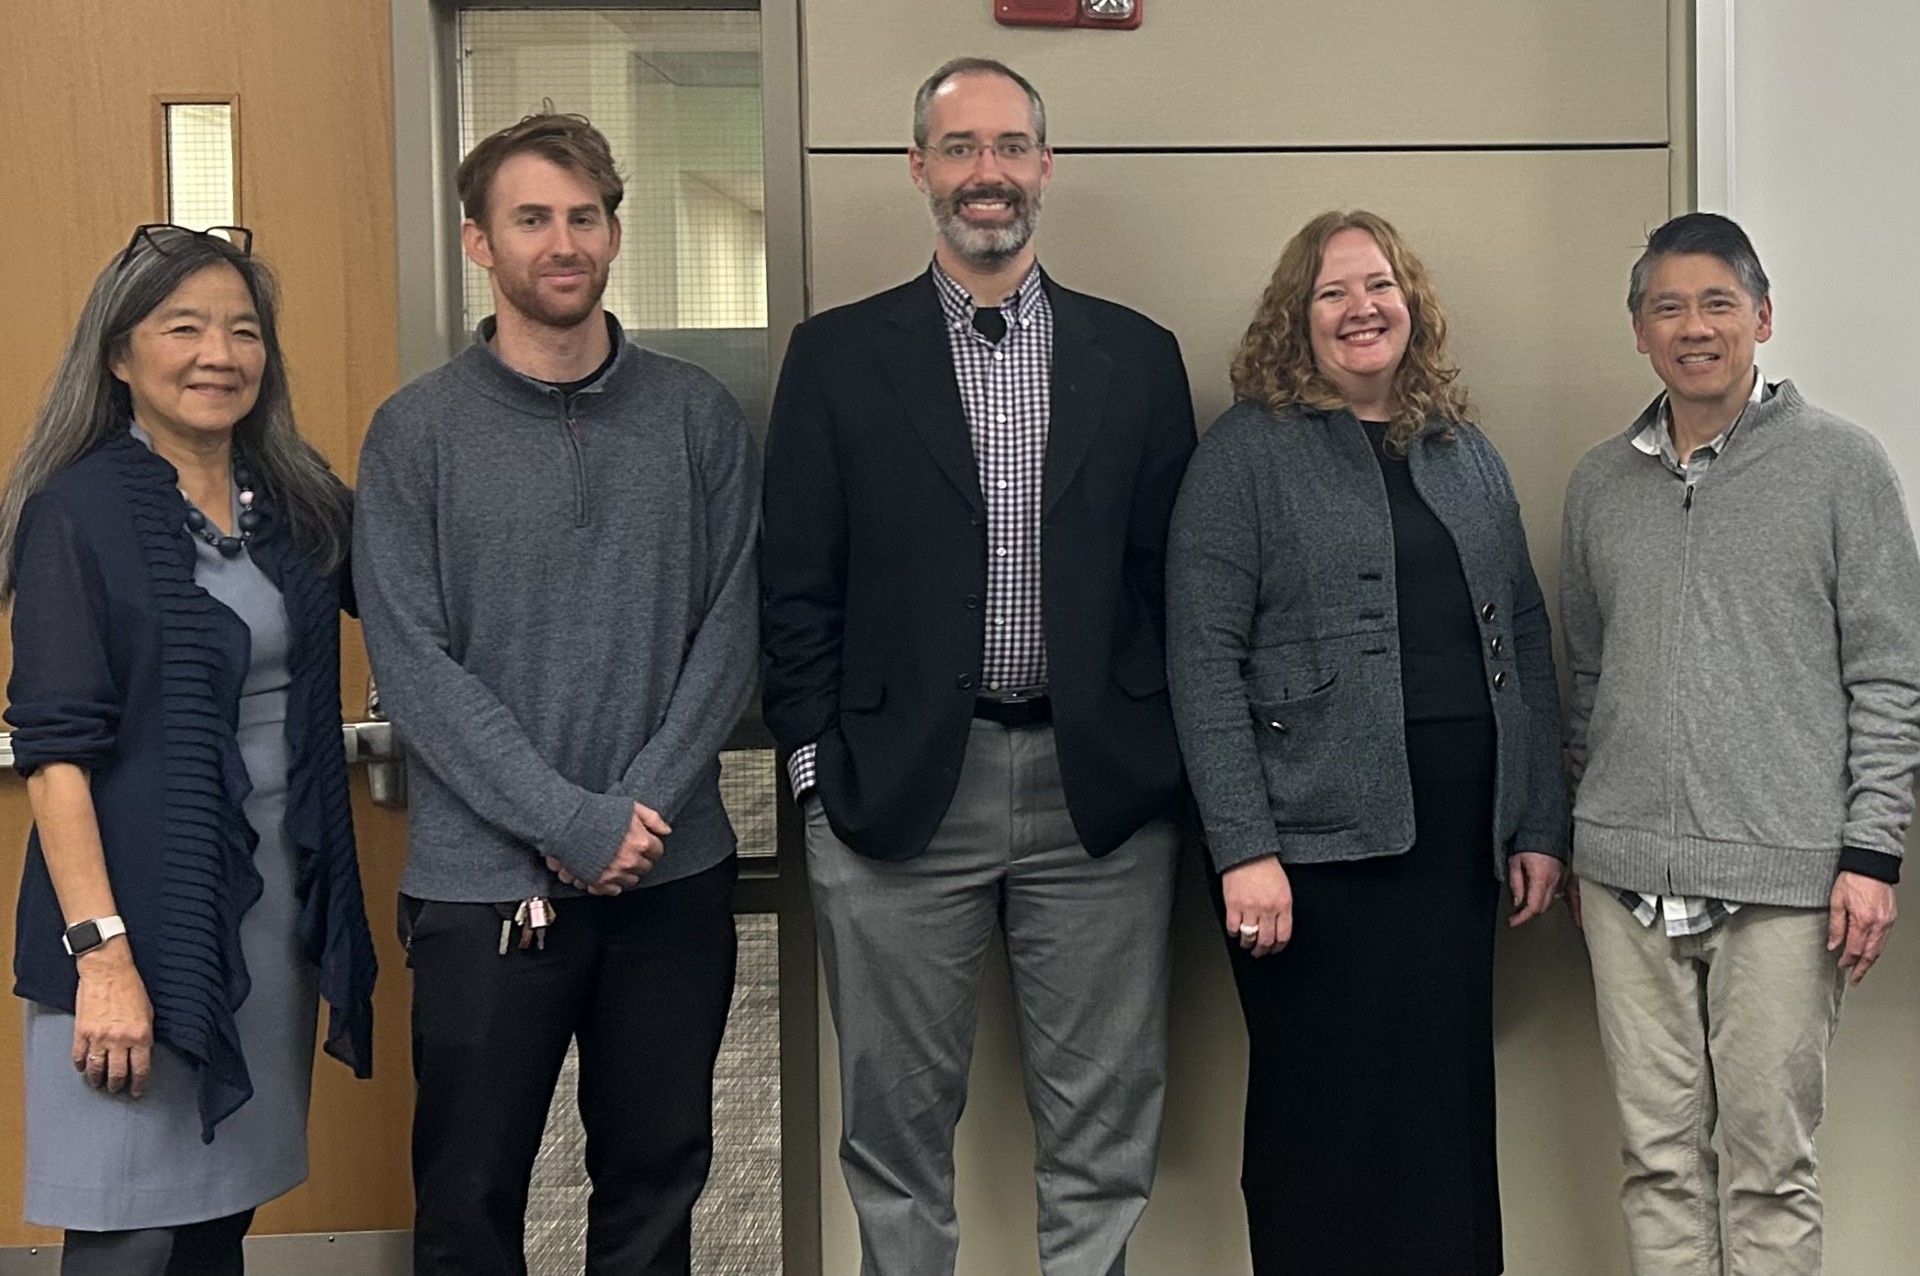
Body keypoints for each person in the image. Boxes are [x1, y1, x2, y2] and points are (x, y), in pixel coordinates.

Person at [760, 57, 1195, 1276]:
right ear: (919, 170)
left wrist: (1156, 756)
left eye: (1010, 147)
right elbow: (795, 589)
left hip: (1096, 797)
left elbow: (1174, 583)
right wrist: (814, 781)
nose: (987, 174)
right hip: (897, 798)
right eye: (960, 150)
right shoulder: (837, 358)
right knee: (894, 1140)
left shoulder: (1138, 356)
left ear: (1045, 167)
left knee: (1102, 1136)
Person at [353, 113, 759, 1276]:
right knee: (470, 1200)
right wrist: (569, 818)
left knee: (655, 1187)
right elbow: (416, 662)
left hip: (668, 875)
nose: (563, 241)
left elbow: (729, 633)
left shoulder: (696, 418)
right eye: (532, 219)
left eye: (585, 216)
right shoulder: (414, 435)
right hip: (483, 890)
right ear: (481, 243)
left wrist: (634, 808)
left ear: (616, 233)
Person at [1166, 209, 1568, 1276]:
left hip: (1455, 845)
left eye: (1379, 285)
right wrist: (1243, 847)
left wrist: (1537, 818)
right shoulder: (1244, 455)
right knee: (1323, 1117)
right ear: (1297, 318)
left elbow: (1521, 627)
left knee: (1442, 1113)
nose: (1362, 308)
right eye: (1334, 291)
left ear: (1411, 303)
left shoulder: (1457, 445)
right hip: (1307, 854)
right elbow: (1200, 659)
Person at [1, 224, 376, 1276]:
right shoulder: (76, 511)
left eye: (245, 330)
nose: (221, 353)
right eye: (186, 327)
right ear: (119, 355)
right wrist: (103, 957)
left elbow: (425, 580)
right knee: (130, 1235)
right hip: (133, 931)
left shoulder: (292, 501)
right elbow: (56, 755)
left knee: (216, 1227)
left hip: (261, 926)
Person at [1560, 211, 1920, 1276]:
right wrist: (1591, 825)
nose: (1695, 326)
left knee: (1767, 1169)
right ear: (1638, 331)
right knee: (1659, 1164)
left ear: (1763, 317)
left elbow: (1890, 674)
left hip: (1787, 880)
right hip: (1624, 882)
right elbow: (1585, 678)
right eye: (1667, 306)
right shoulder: (1598, 484)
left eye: (1718, 302)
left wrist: (1870, 853)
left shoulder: (1843, 468)